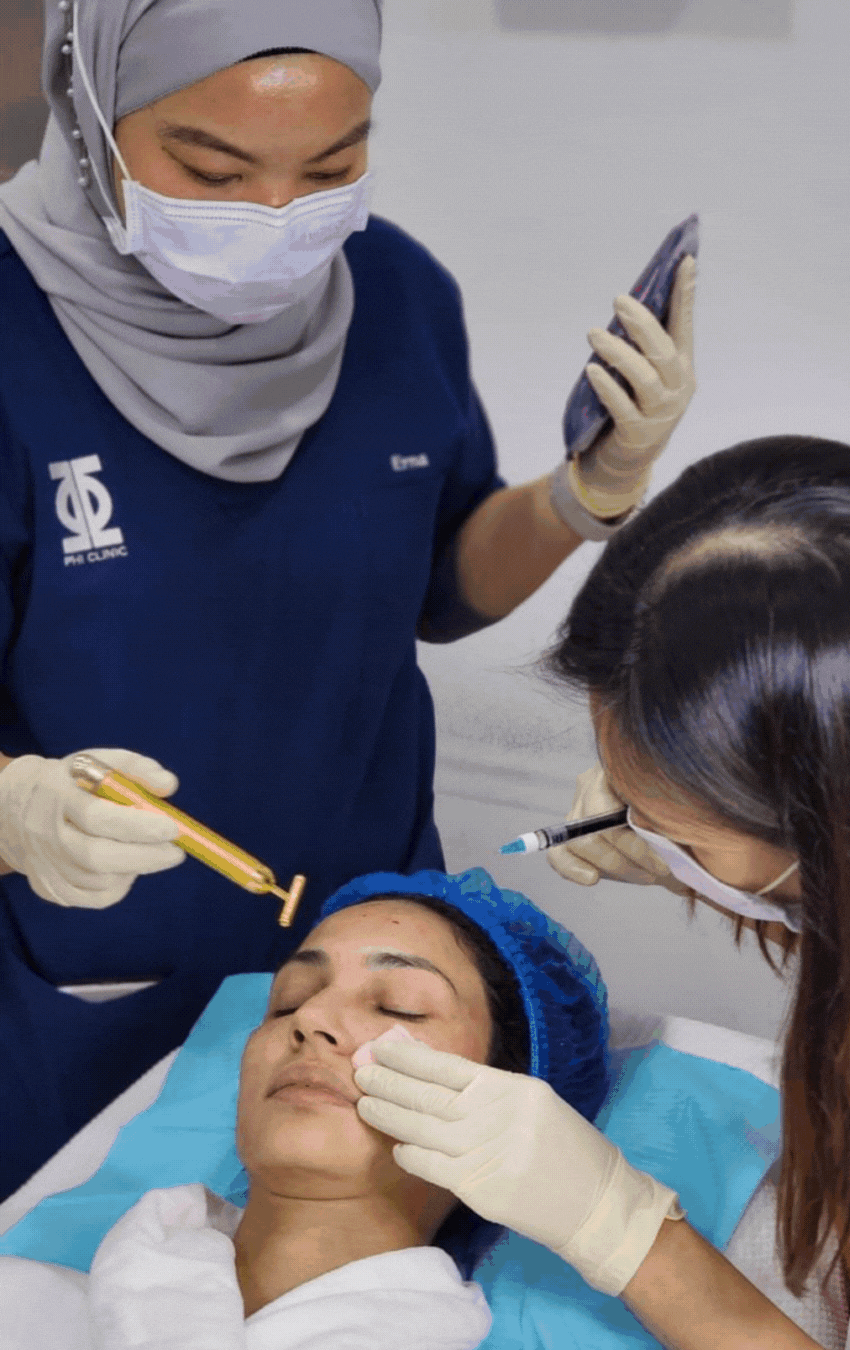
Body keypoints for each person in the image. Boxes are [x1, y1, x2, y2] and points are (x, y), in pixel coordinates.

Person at [0, 0, 696, 1200]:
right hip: (88, 976)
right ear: (89, 109)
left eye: (330, 167)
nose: (276, 216)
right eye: (209, 169)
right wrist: (16, 812)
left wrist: (589, 493)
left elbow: (438, 581)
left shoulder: (397, 294)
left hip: (359, 937)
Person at [353, 436, 850, 1350]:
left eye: (679, 831)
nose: (313, 1026)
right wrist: (704, 857)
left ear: (843, 834)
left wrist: (620, 1229)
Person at [0, 867, 611, 1347]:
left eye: (398, 1007)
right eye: (288, 1001)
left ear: (512, 1104)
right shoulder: (24, 1304)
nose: (311, 1020)